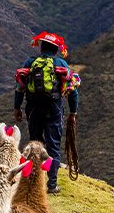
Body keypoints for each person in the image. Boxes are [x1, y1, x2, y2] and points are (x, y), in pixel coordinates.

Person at [13, 31, 79, 194]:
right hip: (54, 108)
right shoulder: (61, 64)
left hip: (33, 108)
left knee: (35, 143)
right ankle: (52, 184)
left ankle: (33, 181)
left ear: (41, 47)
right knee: (53, 145)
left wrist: (17, 107)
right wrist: (73, 113)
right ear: (56, 49)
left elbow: (20, 86)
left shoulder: (30, 62)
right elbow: (72, 90)